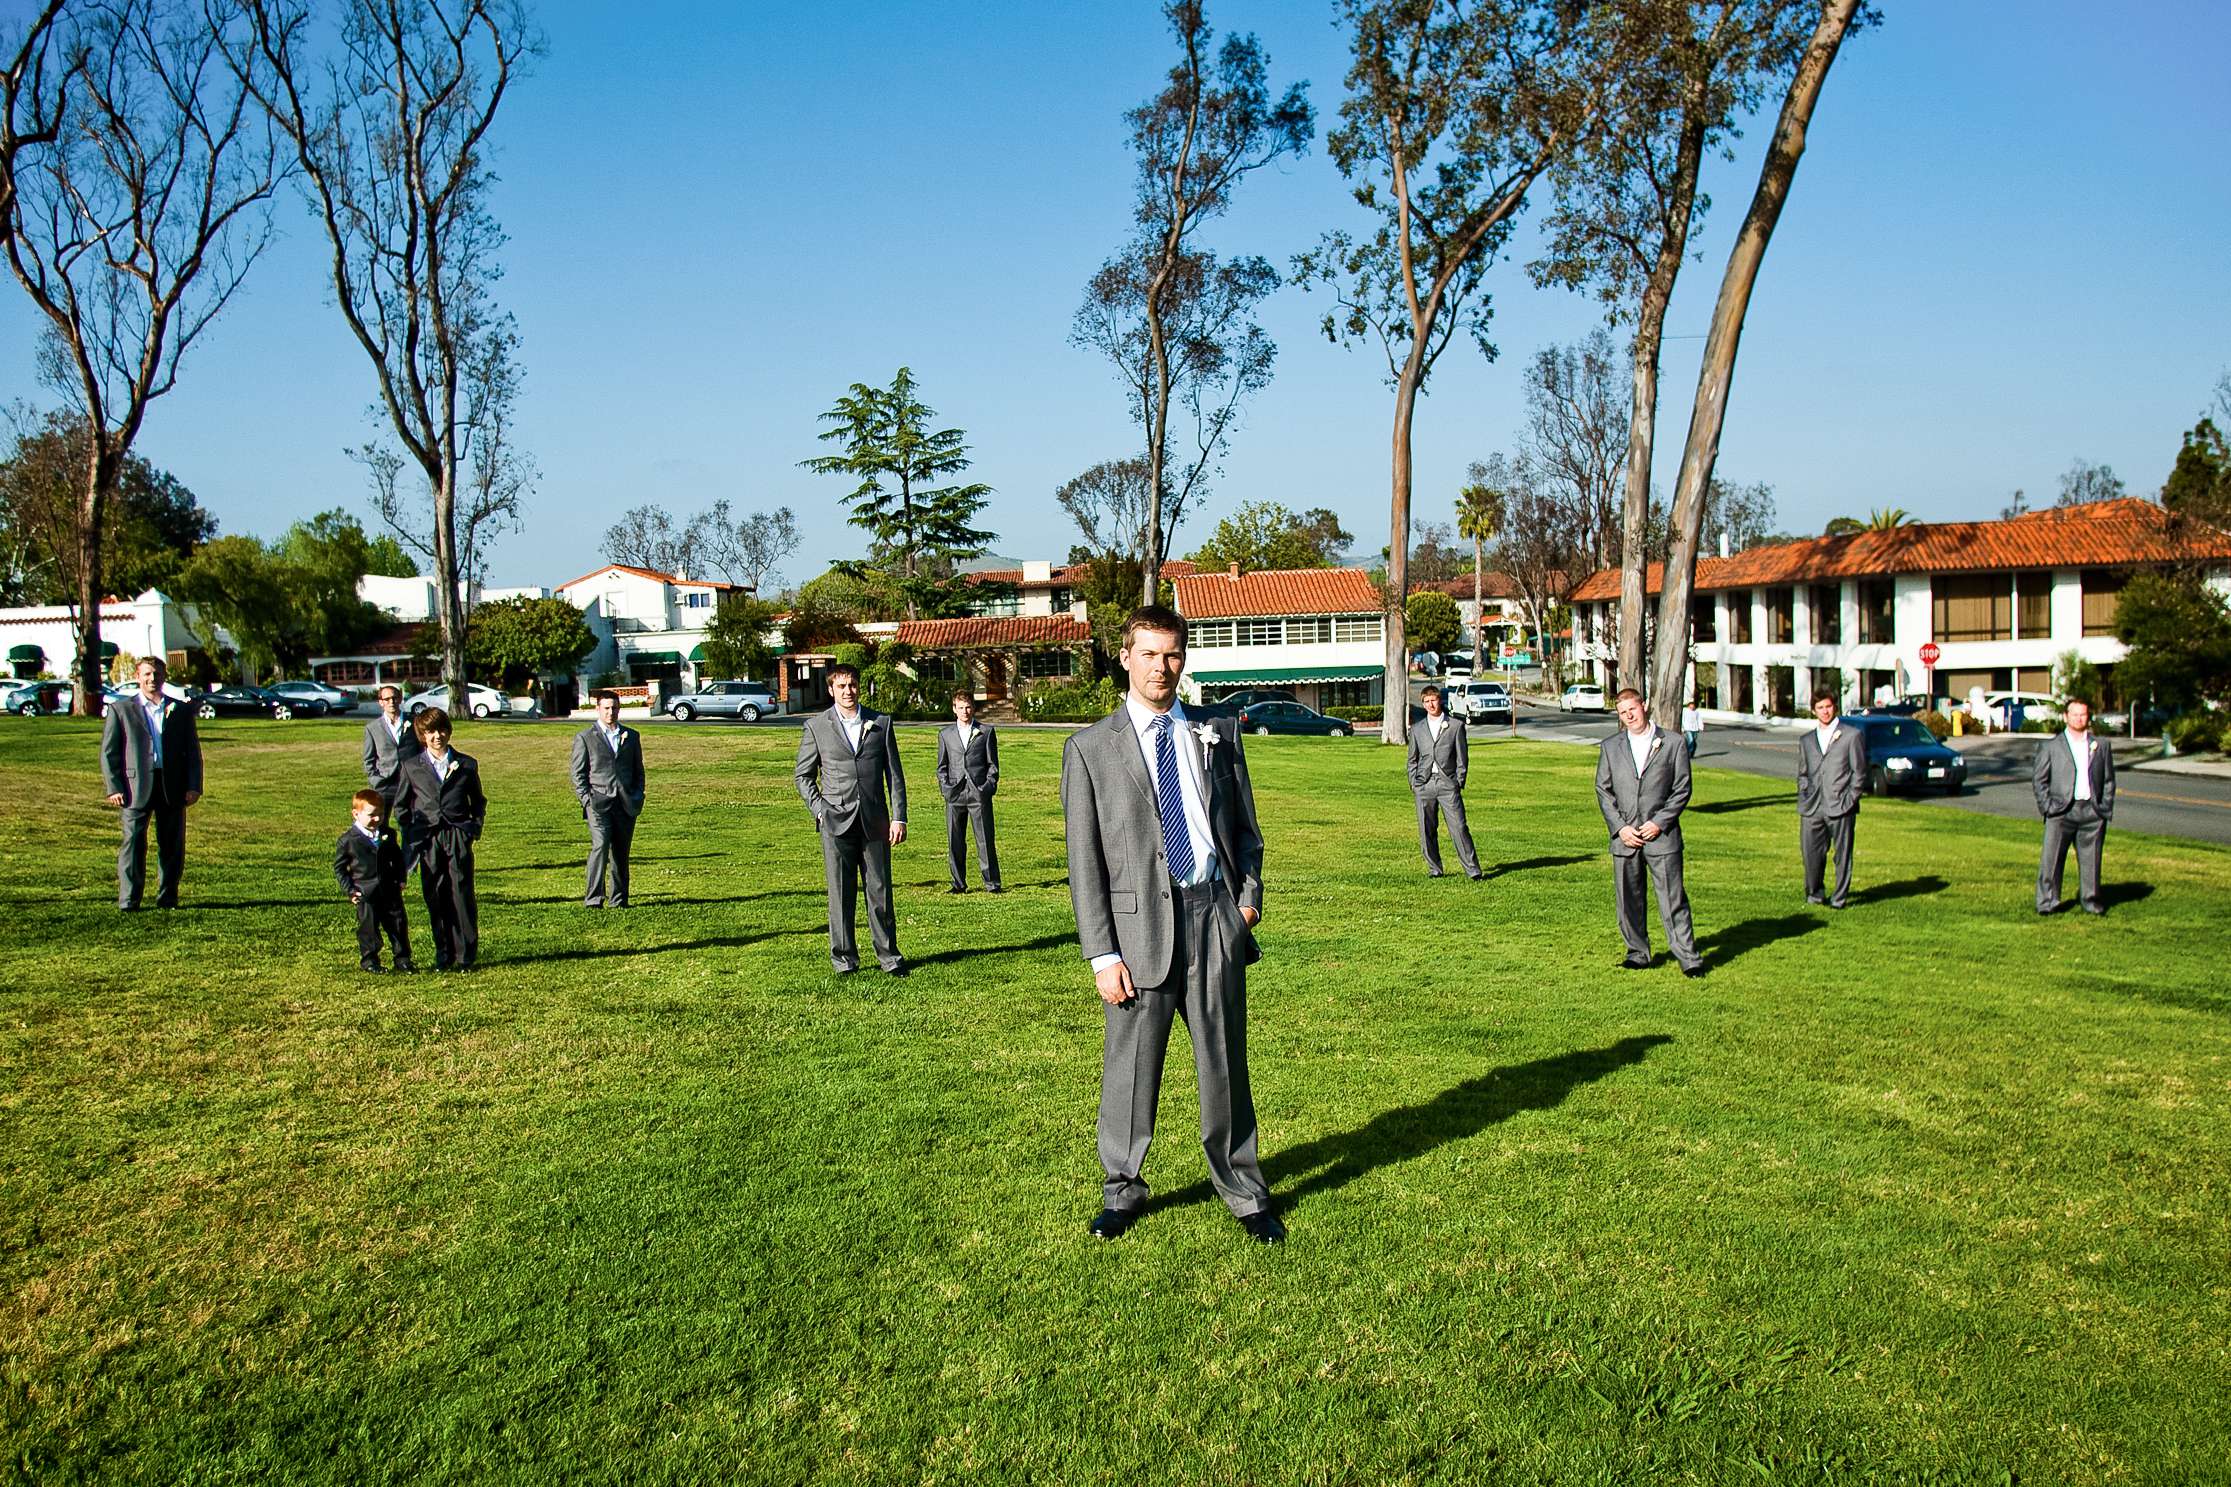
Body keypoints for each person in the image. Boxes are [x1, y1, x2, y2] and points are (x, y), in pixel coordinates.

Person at [1061, 605, 1282, 1244]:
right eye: (1150, 654)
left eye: (1173, 654)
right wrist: (1102, 954)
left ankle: (1244, 1190)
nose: (1163, 667)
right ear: (1125, 658)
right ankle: (1122, 1190)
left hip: (1213, 916)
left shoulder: (1216, 732)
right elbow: (1085, 864)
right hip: (1137, 933)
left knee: (1224, 1066)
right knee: (1131, 1069)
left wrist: (1246, 901)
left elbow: (1245, 830)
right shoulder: (1090, 749)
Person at [795, 662, 909, 975]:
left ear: (860, 687)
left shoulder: (881, 723)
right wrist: (820, 809)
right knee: (840, 894)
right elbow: (803, 776)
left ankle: (889, 957)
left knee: (880, 891)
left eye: (853, 685)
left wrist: (899, 817)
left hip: (875, 821)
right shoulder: (816, 727)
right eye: (842, 686)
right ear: (831, 690)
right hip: (835, 822)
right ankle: (844, 960)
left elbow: (894, 776)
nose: (849, 691)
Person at [1595, 687, 1704, 977]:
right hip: (1626, 838)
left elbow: (1682, 789)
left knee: (1672, 899)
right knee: (1628, 898)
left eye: (1632, 708)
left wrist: (1660, 822)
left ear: (1643, 706)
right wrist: (1620, 828)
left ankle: (1688, 957)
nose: (1629, 716)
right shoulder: (1610, 747)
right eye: (1622, 712)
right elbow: (1603, 791)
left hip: (1662, 837)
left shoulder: (1673, 743)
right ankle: (1637, 952)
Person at [99, 656, 202, 911]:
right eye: (146, 674)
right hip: (135, 788)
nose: (152, 679)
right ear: (138, 677)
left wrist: (193, 786)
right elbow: (109, 753)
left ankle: (167, 898)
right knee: (133, 843)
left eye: (156, 674)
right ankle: (129, 900)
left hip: (171, 786)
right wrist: (114, 787)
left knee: (172, 845)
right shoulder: (121, 710)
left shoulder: (180, 710)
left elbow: (192, 750)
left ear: (164, 676)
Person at [391, 707, 486, 971]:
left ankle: (465, 955)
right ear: (422, 735)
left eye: (442, 730)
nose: (437, 737)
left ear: (449, 731)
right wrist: (413, 833)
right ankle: (443, 954)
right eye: (431, 732)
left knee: (461, 893)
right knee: (435, 894)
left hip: (456, 834)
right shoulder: (412, 766)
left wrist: (472, 828)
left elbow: (477, 801)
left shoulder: (466, 764)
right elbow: (402, 805)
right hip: (428, 837)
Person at [2034, 696, 2115, 916]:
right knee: (2051, 861)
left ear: (2088, 717)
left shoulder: (2101, 746)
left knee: (2091, 861)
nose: (2079, 718)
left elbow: (2108, 780)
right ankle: (2047, 902)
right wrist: (2048, 807)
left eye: (2083, 714)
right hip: (2061, 812)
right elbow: (2039, 780)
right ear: (2066, 716)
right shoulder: (2051, 746)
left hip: (2092, 812)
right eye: (2074, 714)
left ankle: (2091, 902)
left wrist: (2104, 807)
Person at [570, 688, 645, 908]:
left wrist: (638, 794)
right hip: (598, 803)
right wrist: (586, 799)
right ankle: (594, 899)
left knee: (621, 853)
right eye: (606, 708)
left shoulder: (631, 736)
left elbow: (638, 770)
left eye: (614, 708)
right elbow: (578, 773)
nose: (610, 712)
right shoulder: (585, 738)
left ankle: (619, 899)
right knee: (600, 846)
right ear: (598, 709)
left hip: (625, 803)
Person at [1797, 689, 1867, 909]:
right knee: (1811, 854)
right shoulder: (1807, 740)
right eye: (1820, 708)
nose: (1824, 711)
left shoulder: (1851, 735)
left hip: (1840, 805)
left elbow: (1860, 772)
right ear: (1813, 711)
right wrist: (1805, 792)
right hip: (1812, 807)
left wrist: (1850, 799)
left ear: (1834, 707)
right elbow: (1803, 773)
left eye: (1828, 706)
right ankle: (1814, 893)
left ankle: (1839, 898)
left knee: (1842, 855)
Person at [333, 788, 414, 972]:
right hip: (365, 891)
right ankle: (370, 960)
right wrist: (351, 889)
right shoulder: (348, 840)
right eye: (372, 815)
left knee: (398, 924)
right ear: (356, 814)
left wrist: (401, 878)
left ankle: (402, 958)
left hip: (389, 888)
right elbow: (340, 868)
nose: (377, 819)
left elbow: (398, 858)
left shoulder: (388, 834)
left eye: (381, 814)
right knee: (368, 927)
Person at [1406, 685, 1482, 880]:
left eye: (1434, 700)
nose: (1431, 704)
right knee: (1426, 828)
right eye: (1427, 701)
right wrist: (1415, 784)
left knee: (1459, 827)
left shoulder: (1455, 726)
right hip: (1424, 785)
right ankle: (1435, 868)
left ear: (1440, 701)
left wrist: (1458, 781)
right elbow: (1412, 760)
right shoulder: (1416, 729)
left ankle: (1473, 870)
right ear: (1423, 704)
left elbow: (1462, 759)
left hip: (1448, 784)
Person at [934, 689, 1002, 894]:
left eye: (968, 707)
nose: (965, 711)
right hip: (954, 794)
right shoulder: (945, 734)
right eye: (961, 707)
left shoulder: (985, 731)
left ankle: (992, 883)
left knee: (984, 839)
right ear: (954, 709)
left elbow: (993, 765)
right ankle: (958, 883)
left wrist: (987, 787)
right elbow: (941, 765)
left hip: (978, 792)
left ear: (973, 708)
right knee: (955, 840)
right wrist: (946, 787)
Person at [360, 683, 421, 801]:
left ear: (400, 699)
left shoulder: (414, 722)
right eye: (387, 699)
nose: (391, 702)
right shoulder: (372, 728)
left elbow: (423, 748)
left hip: (412, 780)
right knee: (381, 818)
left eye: (394, 698)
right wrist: (375, 779)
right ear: (381, 702)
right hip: (385, 782)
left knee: (411, 818)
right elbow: (368, 758)